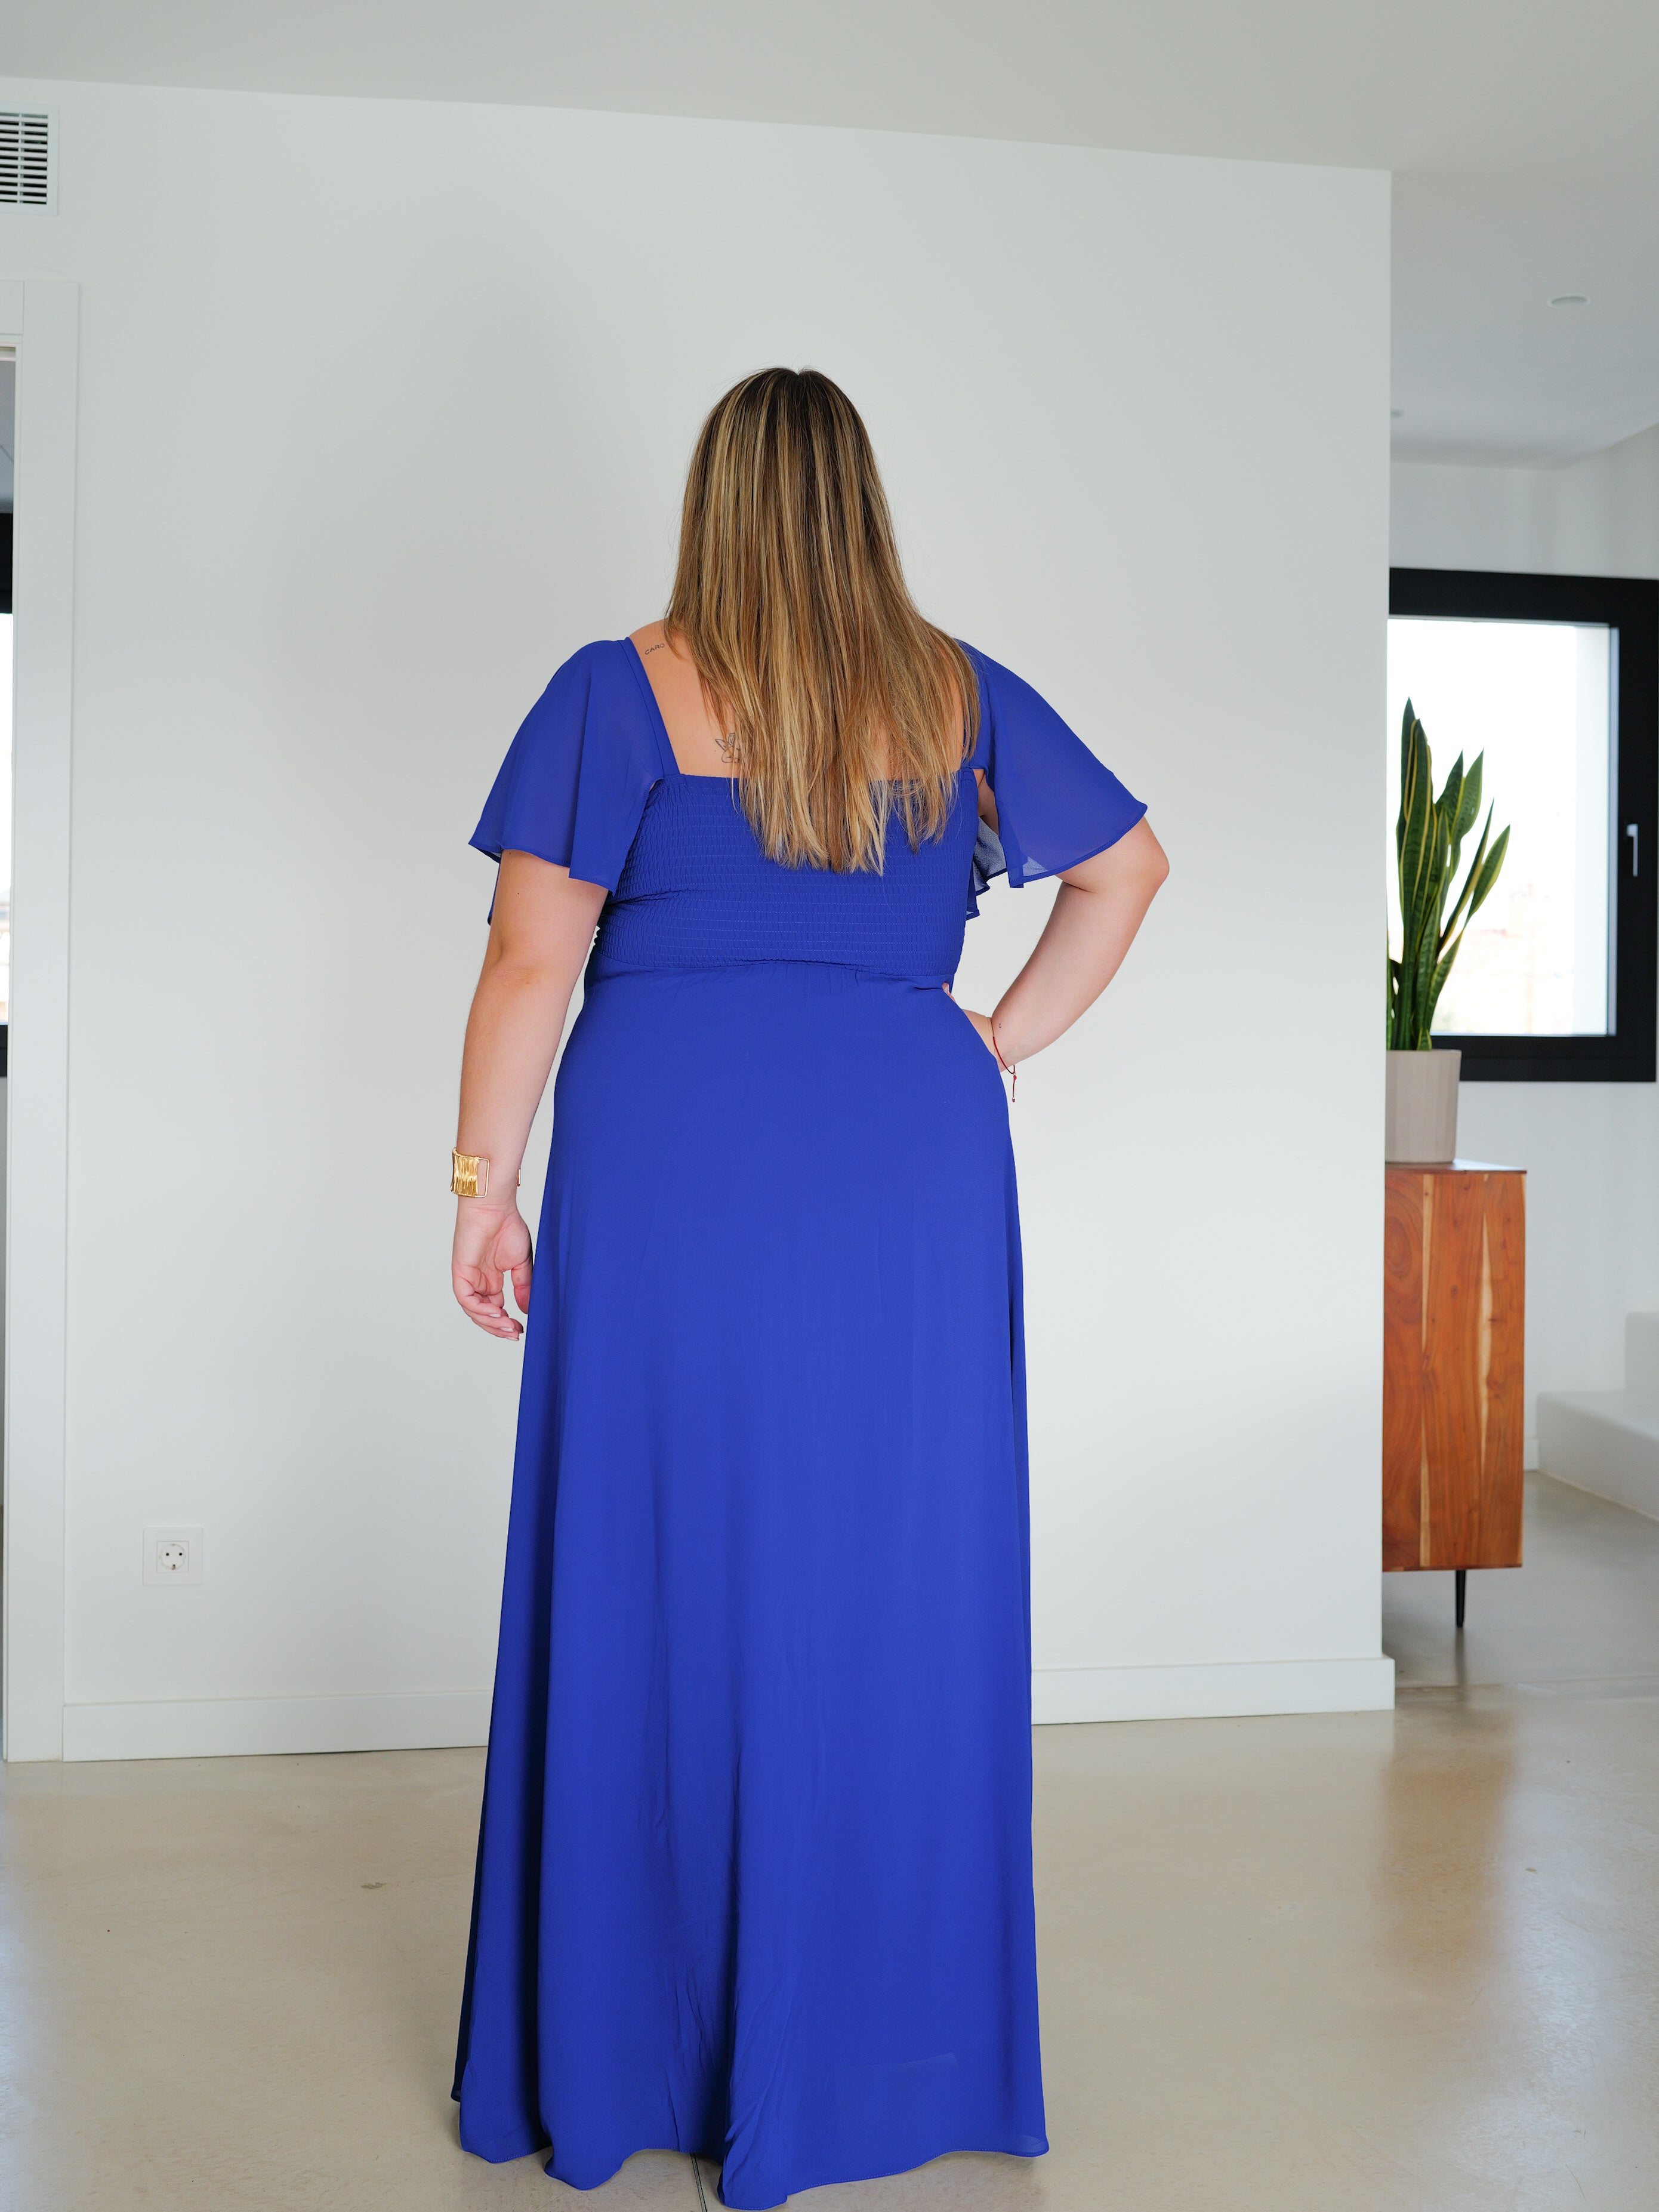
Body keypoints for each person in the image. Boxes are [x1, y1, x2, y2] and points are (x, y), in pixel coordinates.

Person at [448, 366, 1167, 2209]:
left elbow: (530, 963)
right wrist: (989, 1037)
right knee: (886, 1567)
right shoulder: (955, 691)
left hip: (670, 1155)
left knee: (659, 1551)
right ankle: (875, 2035)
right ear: (862, 503)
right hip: (905, 1157)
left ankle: (637, 2044)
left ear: (713, 502)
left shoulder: (612, 689)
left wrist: (480, 1184)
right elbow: (1126, 869)